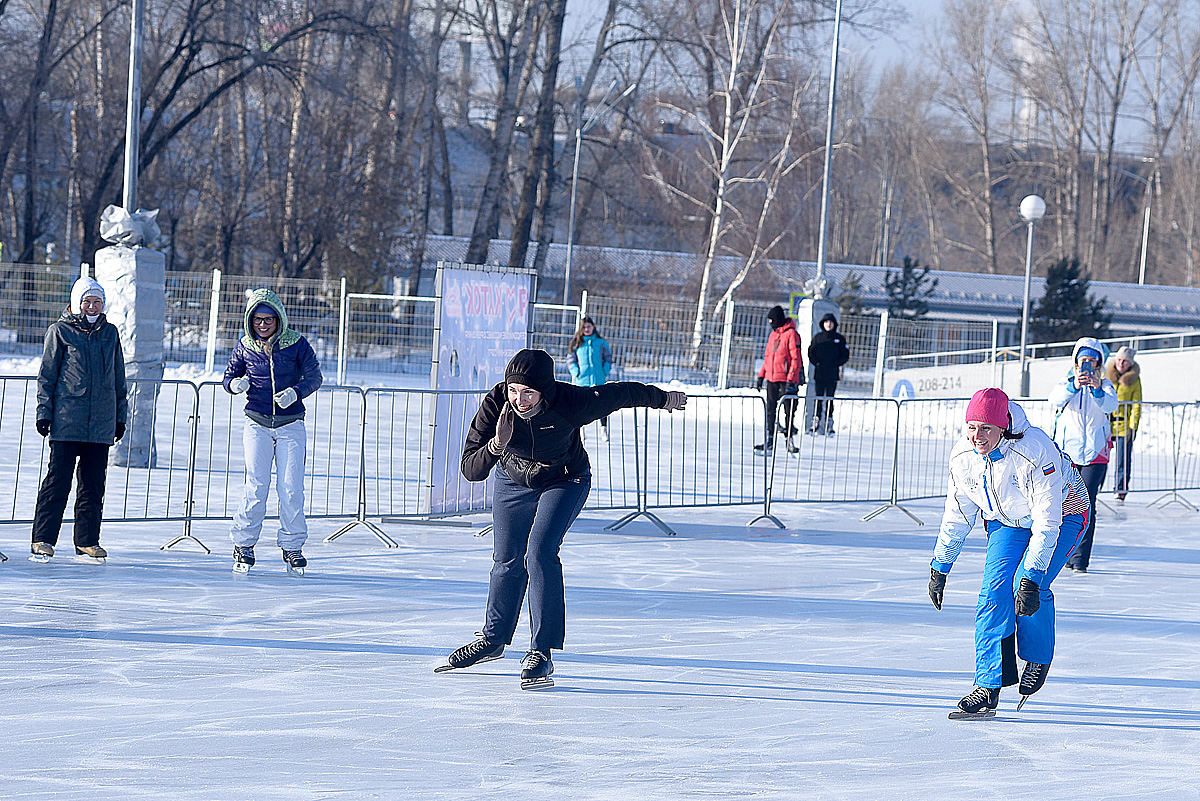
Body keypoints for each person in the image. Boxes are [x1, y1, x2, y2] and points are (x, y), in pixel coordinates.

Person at [441, 348, 687, 689]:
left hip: (564, 479)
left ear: (544, 389)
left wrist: (663, 399)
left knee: (540, 553)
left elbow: (621, 393)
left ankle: (541, 651)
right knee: (506, 560)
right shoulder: (496, 402)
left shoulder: (570, 401)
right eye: (514, 390)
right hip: (513, 481)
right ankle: (493, 639)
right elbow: (471, 468)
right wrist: (497, 445)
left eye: (528, 392)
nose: (519, 400)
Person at [928, 388, 1089, 716]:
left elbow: (1047, 521)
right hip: (1007, 521)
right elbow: (957, 513)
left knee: (1027, 586)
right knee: (992, 594)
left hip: (1065, 513)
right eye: (972, 427)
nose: (978, 436)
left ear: (1003, 427)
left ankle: (1038, 657)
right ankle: (988, 684)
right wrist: (940, 565)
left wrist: (1031, 577)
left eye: (986, 428)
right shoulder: (962, 458)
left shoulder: (1034, 450)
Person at [222, 288, 323, 575]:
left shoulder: (297, 344)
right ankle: (243, 542)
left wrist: (296, 392)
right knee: (256, 484)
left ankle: (292, 547)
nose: (263, 325)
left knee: (291, 488)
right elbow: (228, 376)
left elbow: (315, 376)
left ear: (279, 319)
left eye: (268, 319)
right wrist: (234, 385)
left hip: (291, 424)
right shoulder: (244, 346)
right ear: (250, 320)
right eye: (257, 320)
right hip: (257, 422)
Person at [31, 277, 127, 561]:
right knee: (57, 482)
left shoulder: (110, 333)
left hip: (100, 422)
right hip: (66, 419)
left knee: (93, 484)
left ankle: (87, 540)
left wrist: (120, 416)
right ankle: (43, 538)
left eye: (97, 302)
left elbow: (118, 377)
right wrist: (43, 412)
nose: (92, 307)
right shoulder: (60, 331)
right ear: (76, 303)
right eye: (87, 301)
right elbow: (47, 375)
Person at [1050, 337, 1118, 574]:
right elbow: (1054, 399)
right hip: (1067, 453)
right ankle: (1064, 553)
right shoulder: (1067, 381)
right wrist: (1074, 386)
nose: (1088, 365)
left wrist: (1097, 389)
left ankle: (1080, 558)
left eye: (1092, 361)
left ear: (1098, 363)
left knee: (1087, 504)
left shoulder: (1106, 384)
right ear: (1076, 361)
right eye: (1084, 360)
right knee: (1064, 503)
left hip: (1095, 454)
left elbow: (1111, 406)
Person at [754, 305, 804, 455]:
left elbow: (796, 359)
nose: (771, 324)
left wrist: (791, 378)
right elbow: (768, 357)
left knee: (789, 410)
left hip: (786, 379)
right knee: (770, 409)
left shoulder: (791, 334)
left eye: (772, 320)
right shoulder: (772, 335)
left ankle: (789, 440)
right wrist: (761, 375)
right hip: (772, 378)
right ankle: (769, 440)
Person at [566, 316, 614, 441]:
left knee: (602, 405)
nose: (586, 329)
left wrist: (605, 371)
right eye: (584, 327)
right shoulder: (576, 343)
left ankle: (603, 428)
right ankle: (581, 430)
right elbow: (571, 360)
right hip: (582, 380)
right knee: (581, 406)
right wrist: (576, 372)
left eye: (589, 326)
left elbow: (608, 358)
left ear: (593, 327)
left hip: (598, 379)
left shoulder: (601, 342)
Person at [1106, 346, 1141, 504]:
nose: (1121, 363)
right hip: (1106, 424)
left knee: (1122, 460)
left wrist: (1132, 428)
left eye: (1125, 361)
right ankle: (1096, 485)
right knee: (1100, 458)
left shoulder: (1134, 380)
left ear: (1130, 364)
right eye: (1119, 360)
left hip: (1123, 426)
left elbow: (1136, 405)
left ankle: (1120, 489)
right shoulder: (1106, 376)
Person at [806, 312, 850, 435]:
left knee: (830, 398)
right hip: (820, 373)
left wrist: (836, 363)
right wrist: (817, 363)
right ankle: (816, 421)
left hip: (832, 374)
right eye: (826, 322)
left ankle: (829, 423)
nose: (828, 325)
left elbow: (845, 355)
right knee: (819, 397)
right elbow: (811, 352)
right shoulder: (818, 338)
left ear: (834, 324)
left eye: (830, 322)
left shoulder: (839, 339)